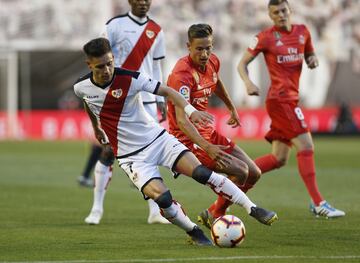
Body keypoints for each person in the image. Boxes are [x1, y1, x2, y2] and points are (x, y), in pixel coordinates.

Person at [74, 37, 278, 245]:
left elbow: (168, 91)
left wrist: (191, 111)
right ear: (89, 65)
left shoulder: (130, 78)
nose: (107, 70)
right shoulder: (81, 87)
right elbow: (88, 103)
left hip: (157, 140)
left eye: (110, 63)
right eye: (100, 66)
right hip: (131, 156)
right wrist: (96, 127)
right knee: (162, 198)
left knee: (201, 173)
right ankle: (194, 231)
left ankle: (251, 208)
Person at [237, 0, 345, 218]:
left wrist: (312, 59)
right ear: (270, 15)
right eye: (275, 12)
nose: (280, 15)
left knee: (278, 158)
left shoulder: (303, 32)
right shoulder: (265, 37)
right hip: (280, 100)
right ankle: (318, 203)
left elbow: (310, 55)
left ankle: (232, 188)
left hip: (291, 100)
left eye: (283, 10)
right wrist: (248, 83)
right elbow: (242, 64)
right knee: (305, 145)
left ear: (290, 11)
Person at [167, 23, 263, 229]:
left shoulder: (212, 62)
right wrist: (207, 146)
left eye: (208, 48)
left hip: (208, 134)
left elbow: (216, 82)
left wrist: (231, 108)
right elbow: (182, 121)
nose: (204, 54)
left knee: (254, 172)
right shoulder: (181, 75)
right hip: (187, 140)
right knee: (240, 172)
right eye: (199, 49)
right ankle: (216, 213)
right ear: (188, 46)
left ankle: (213, 212)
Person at [81, 0, 168, 225]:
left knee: (150, 153)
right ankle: (97, 208)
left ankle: (155, 212)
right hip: (117, 100)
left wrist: (161, 98)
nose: (143, 2)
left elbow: (158, 66)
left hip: (147, 100)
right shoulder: (114, 26)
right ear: (129, 1)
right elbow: (98, 57)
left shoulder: (157, 30)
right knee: (108, 152)